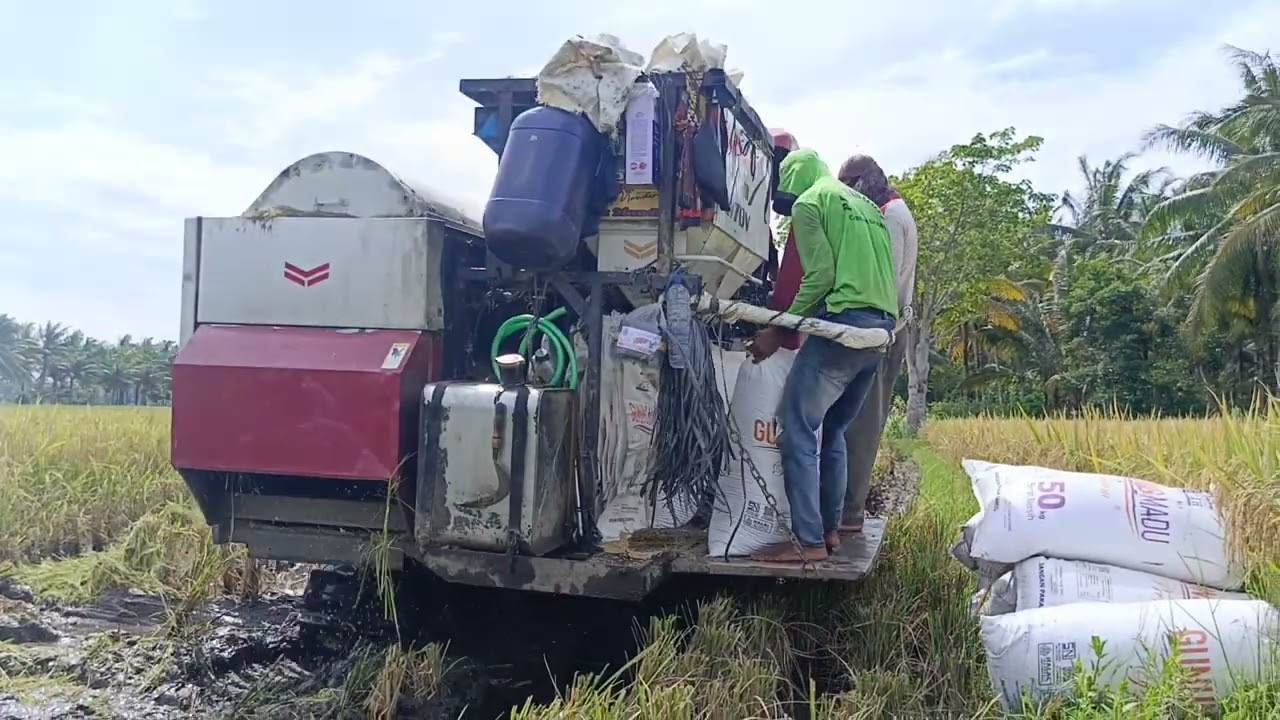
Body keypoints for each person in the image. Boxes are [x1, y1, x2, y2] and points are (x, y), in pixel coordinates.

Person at [746, 149, 898, 563]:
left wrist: (779, 329)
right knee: (832, 432)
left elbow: (821, 277)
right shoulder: (867, 206)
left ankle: (807, 541)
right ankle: (830, 533)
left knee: (795, 427)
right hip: (879, 332)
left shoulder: (812, 202)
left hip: (844, 327)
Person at [835, 154, 918, 539]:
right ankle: (846, 507)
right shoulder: (895, 209)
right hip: (888, 329)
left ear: (863, 181)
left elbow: (881, 281)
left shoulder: (888, 217)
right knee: (860, 421)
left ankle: (848, 511)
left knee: (861, 426)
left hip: (882, 331)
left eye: (848, 186)